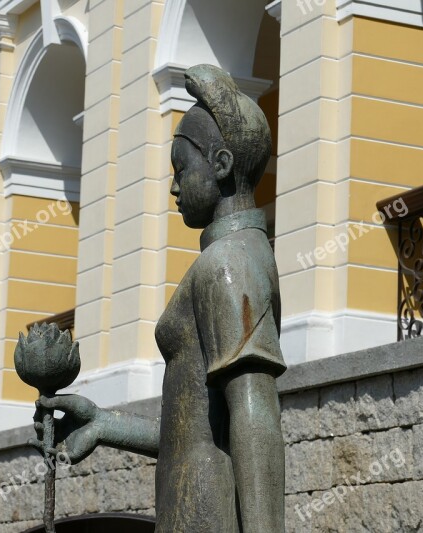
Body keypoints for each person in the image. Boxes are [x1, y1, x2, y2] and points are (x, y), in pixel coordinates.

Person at [32, 65, 286, 532]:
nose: (173, 186)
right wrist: (106, 424)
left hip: (206, 513)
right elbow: (197, 432)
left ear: (222, 165)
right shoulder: (237, 256)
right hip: (190, 505)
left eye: (181, 169)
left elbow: (256, 416)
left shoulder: (226, 264)